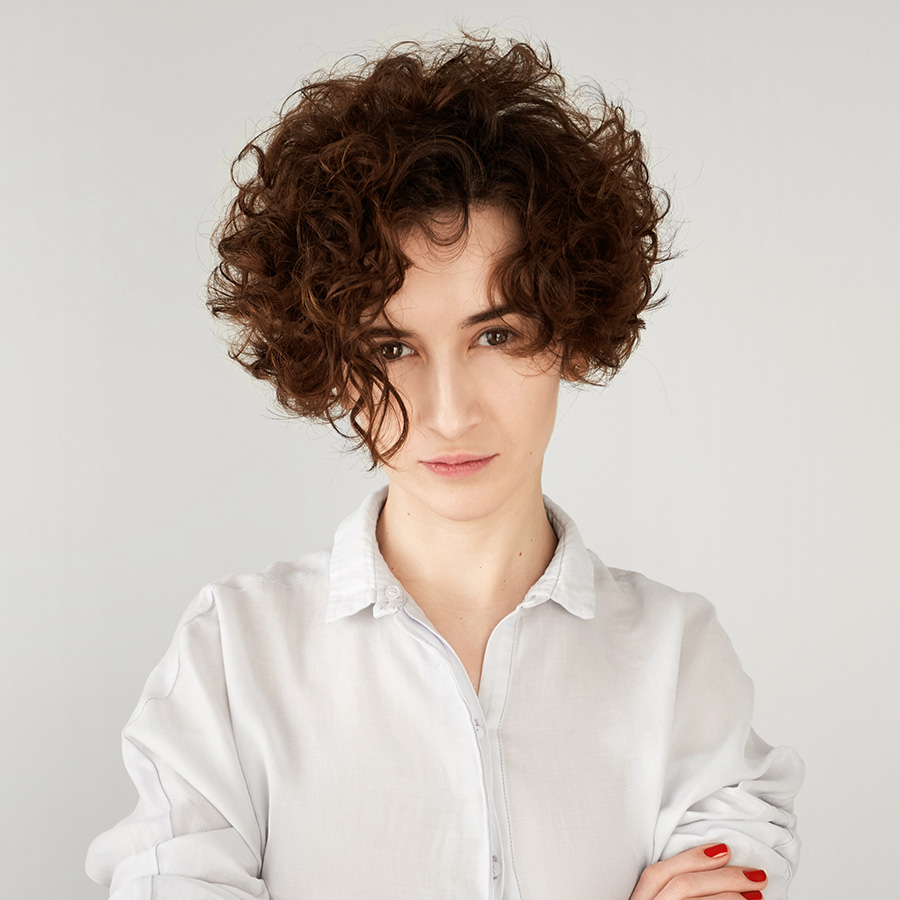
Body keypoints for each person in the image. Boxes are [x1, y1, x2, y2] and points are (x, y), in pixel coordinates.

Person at [86, 33, 803, 900]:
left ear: (572, 334)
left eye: (495, 335)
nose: (450, 410)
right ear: (332, 365)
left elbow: (740, 851)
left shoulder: (676, 658)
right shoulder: (234, 657)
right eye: (392, 348)